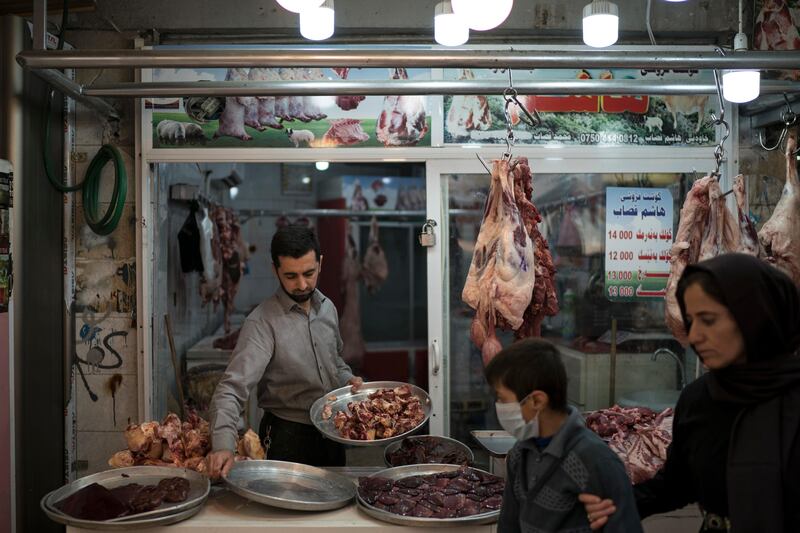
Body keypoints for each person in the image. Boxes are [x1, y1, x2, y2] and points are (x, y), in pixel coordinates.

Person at [581, 253, 800, 532]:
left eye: (708, 320)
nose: (695, 335)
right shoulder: (700, 399)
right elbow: (676, 486)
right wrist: (618, 501)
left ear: (754, 315)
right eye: (691, 321)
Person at [206, 225, 363, 478]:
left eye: (309, 273)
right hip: (287, 438)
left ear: (320, 264)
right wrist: (222, 445)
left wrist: (348, 380)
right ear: (275, 270)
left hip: (333, 431)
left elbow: (336, 362)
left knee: (335, 510)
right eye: (290, 276)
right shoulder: (262, 322)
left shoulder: (328, 309)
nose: (302, 284)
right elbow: (231, 389)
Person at [485, 338, 643, 533]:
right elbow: (509, 526)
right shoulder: (520, 454)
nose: (499, 406)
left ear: (537, 400)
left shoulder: (595, 460)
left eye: (502, 399)